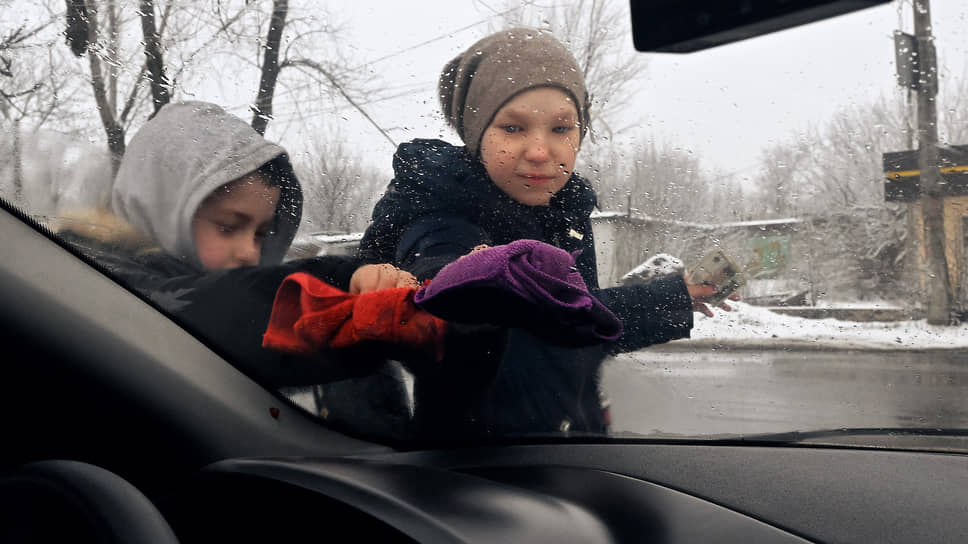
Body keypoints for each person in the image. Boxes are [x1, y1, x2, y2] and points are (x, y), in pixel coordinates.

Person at [359, 28, 734, 438]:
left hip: (571, 451)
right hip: (481, 469)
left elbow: (580, 329)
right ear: (477, 133)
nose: (540, 152)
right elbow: (499, 316)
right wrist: (661, 298)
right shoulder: (443, 215)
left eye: (561, 129)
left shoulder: (567, 214)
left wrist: (674, 298)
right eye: (513, 128)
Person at [53, 101, 434, 439]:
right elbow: (216, 311)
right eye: (227, 227)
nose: (250, 253)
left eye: (262, 233)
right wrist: (344, 283)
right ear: (165, 202)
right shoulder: (97, 278)